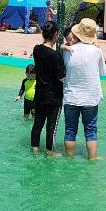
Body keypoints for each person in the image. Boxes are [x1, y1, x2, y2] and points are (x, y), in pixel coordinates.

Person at [61, 19, 106, 160]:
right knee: (91, 130)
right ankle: (92, 158)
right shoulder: (96, 51)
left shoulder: (68, 50)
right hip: (90, 97)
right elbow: (102, 72)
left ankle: (69, 157)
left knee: (70, 129)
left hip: (71, 96)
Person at [31, 21, 65, 154]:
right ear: (55, 34)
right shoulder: (56, 55)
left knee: (37, 124)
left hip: (39, 93)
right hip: (53, 96)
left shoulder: (36, 49)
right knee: (51, 126)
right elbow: (61, 77)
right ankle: (50, 151)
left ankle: (34, 148)